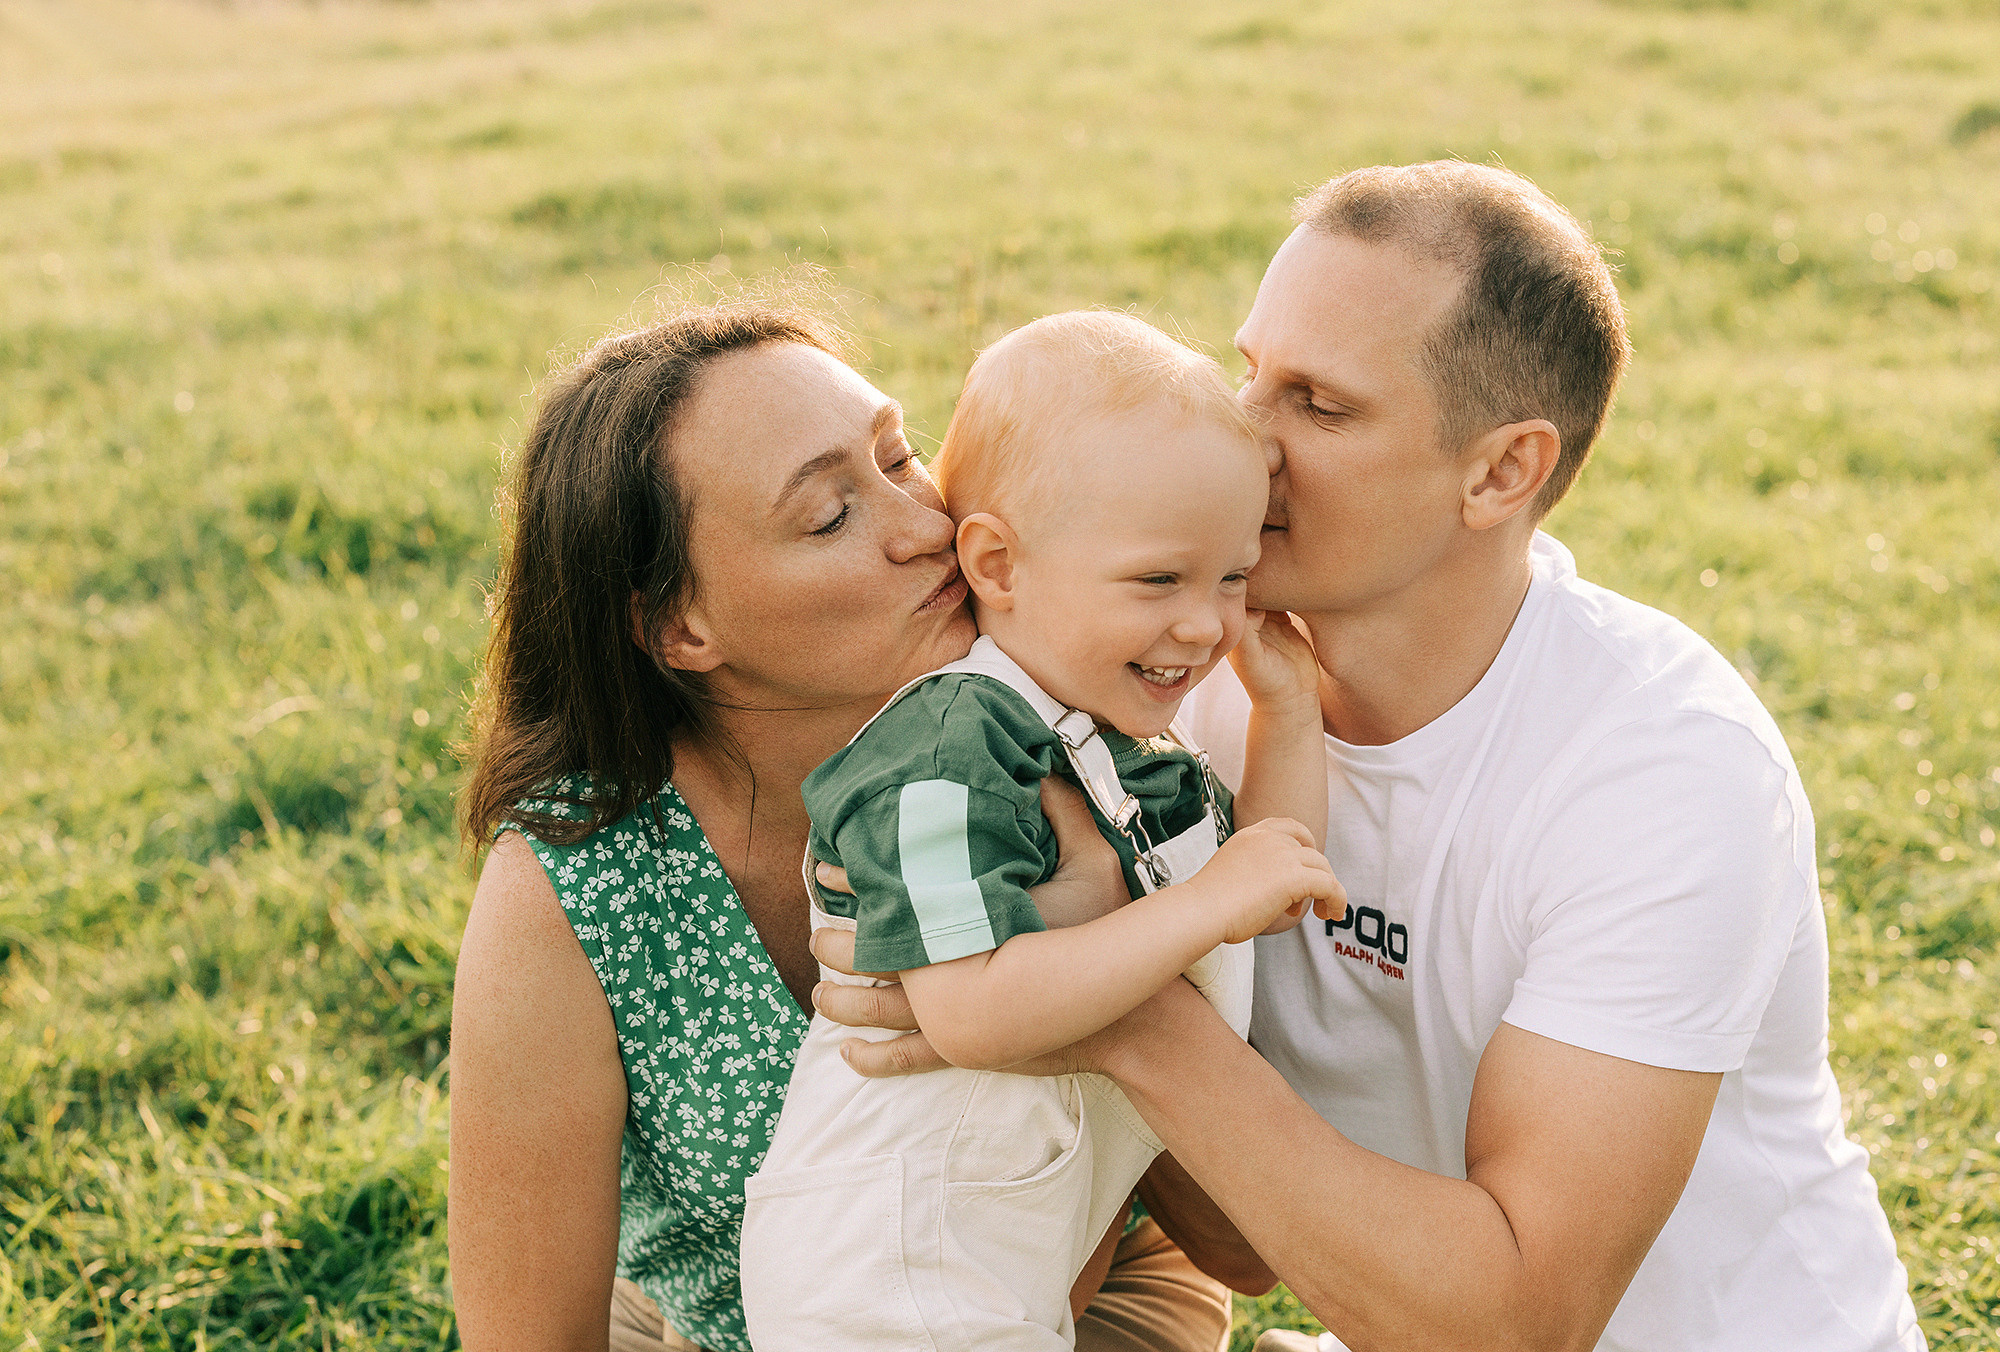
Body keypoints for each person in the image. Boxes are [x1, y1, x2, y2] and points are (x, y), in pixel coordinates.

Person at [812, 162, 1926, 1352]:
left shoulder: (1663, 773)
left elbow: (1514, 1321)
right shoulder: (1179, 696)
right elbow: (1248, 1239)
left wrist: (1098, 995)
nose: (1247, 432)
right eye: (1250, 372)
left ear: (1500, 471)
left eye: (1319, 406)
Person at [447, 302, 1242, 1352]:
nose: (925, 527)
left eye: (900, 456)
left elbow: (1240, 1243)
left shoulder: (1084, 733)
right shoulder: (580, 888)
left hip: (1068, 1300)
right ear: (678, 627)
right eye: (829, 515)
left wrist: (1102, 944)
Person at [739, 311, 1341, 1351]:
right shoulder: (939, 753)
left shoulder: (1123, 746)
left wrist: (1286, 713)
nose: (1204, 622)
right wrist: (1203, 901)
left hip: (998, 1265)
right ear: (1000, 564)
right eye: (1159, 579)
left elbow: (1267, 883)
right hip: (884, 1278)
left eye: (1231, 577)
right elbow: (971, 1008)